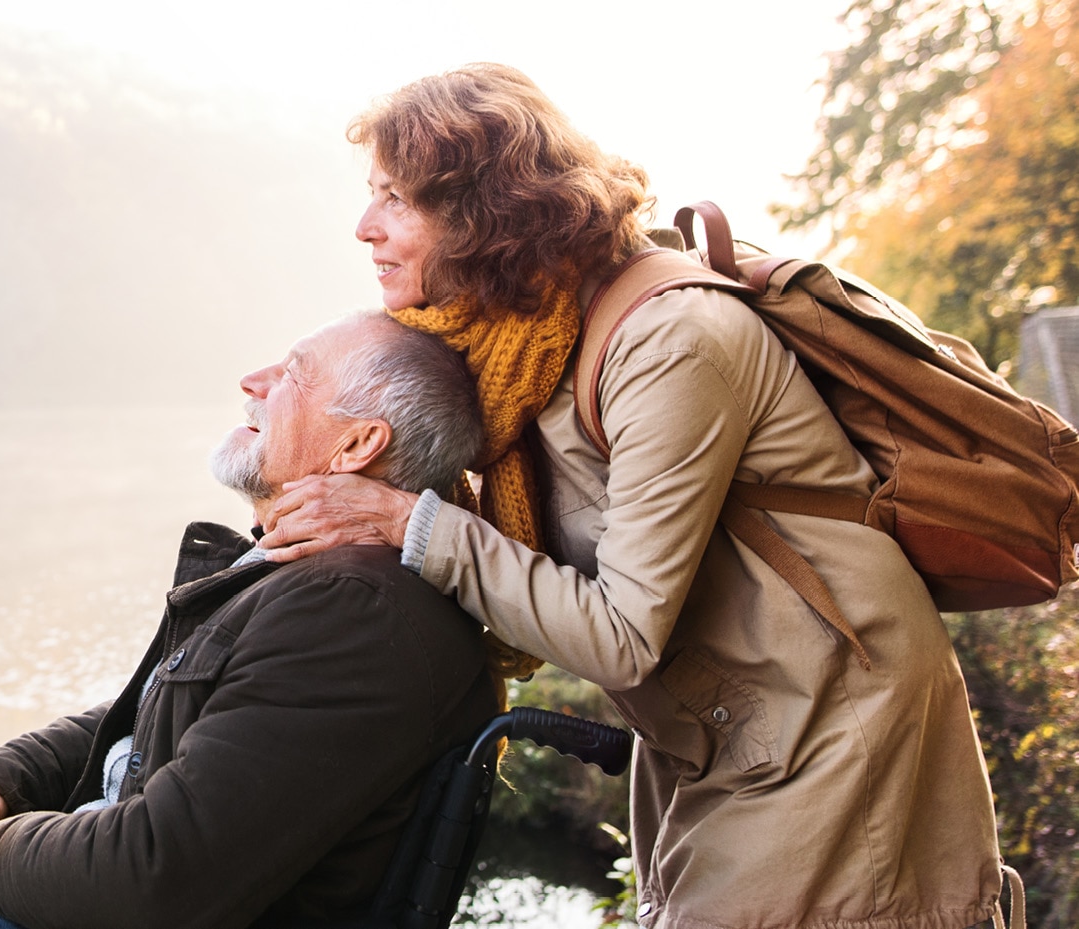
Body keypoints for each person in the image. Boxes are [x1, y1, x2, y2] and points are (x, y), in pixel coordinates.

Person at [258, 64, 1006, 929]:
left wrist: (406, 523)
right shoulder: (524, 347)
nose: (363, 227)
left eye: (395, 199)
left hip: (833, 731)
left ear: (482, 213)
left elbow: (621, 635)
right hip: (727, 727)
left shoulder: (668, 340)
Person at [0, 311, 499, 929]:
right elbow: (156, 703)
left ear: (358, 443)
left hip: (135, 905)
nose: (252, 380)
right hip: (114, 862)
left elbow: (156, 877)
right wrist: (6, 778)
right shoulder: (301, 567)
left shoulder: (351, 612)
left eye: (290, 374)